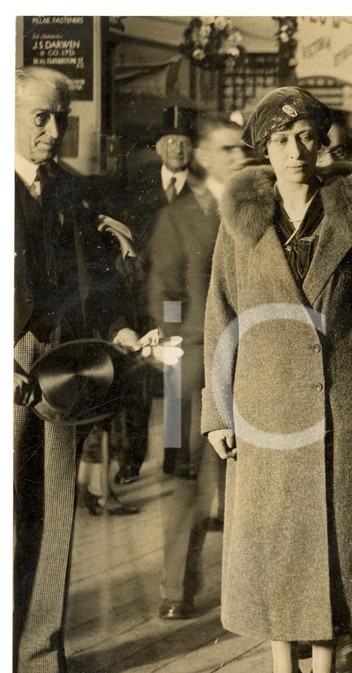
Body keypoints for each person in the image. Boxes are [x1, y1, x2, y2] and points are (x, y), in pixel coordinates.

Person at [201, 87, 352, 673]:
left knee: (339, 542)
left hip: (340, 403)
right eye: (280, 140)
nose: (294, 151)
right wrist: (217, 415)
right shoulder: (241, 220)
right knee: (275, 543)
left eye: (305, 136)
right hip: (265, 407)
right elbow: (219, 317)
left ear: (323, 139)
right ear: (263, 148)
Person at [14, 66, 146, 673]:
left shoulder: (73, 191)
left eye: (61, 116)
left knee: (56, 515)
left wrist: (121, 331)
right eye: (41, 116)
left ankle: (40, 656)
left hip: (62, 376)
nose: (55, 129)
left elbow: (99, 283)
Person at [147, 116, 249, 620]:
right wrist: (173, 343)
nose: (239, 156)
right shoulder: (178, 217)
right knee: (182, 475)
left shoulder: (258, 211)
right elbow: (163, 291)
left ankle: (245, 589)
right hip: (187, 366)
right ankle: (176, 589)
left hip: (248, 360)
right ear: (204, 155)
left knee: (245, 477)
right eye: (228, 149)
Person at [119, 107, 201, 483]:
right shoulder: (137, 185)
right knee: (136, 379)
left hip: (177, 299)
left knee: (176, 377)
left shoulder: (201, 191)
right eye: (170, 143)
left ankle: (176, 454)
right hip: (139, 296)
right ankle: (132, 458)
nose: (178, 150)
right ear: (157, 147)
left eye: (184, 143)